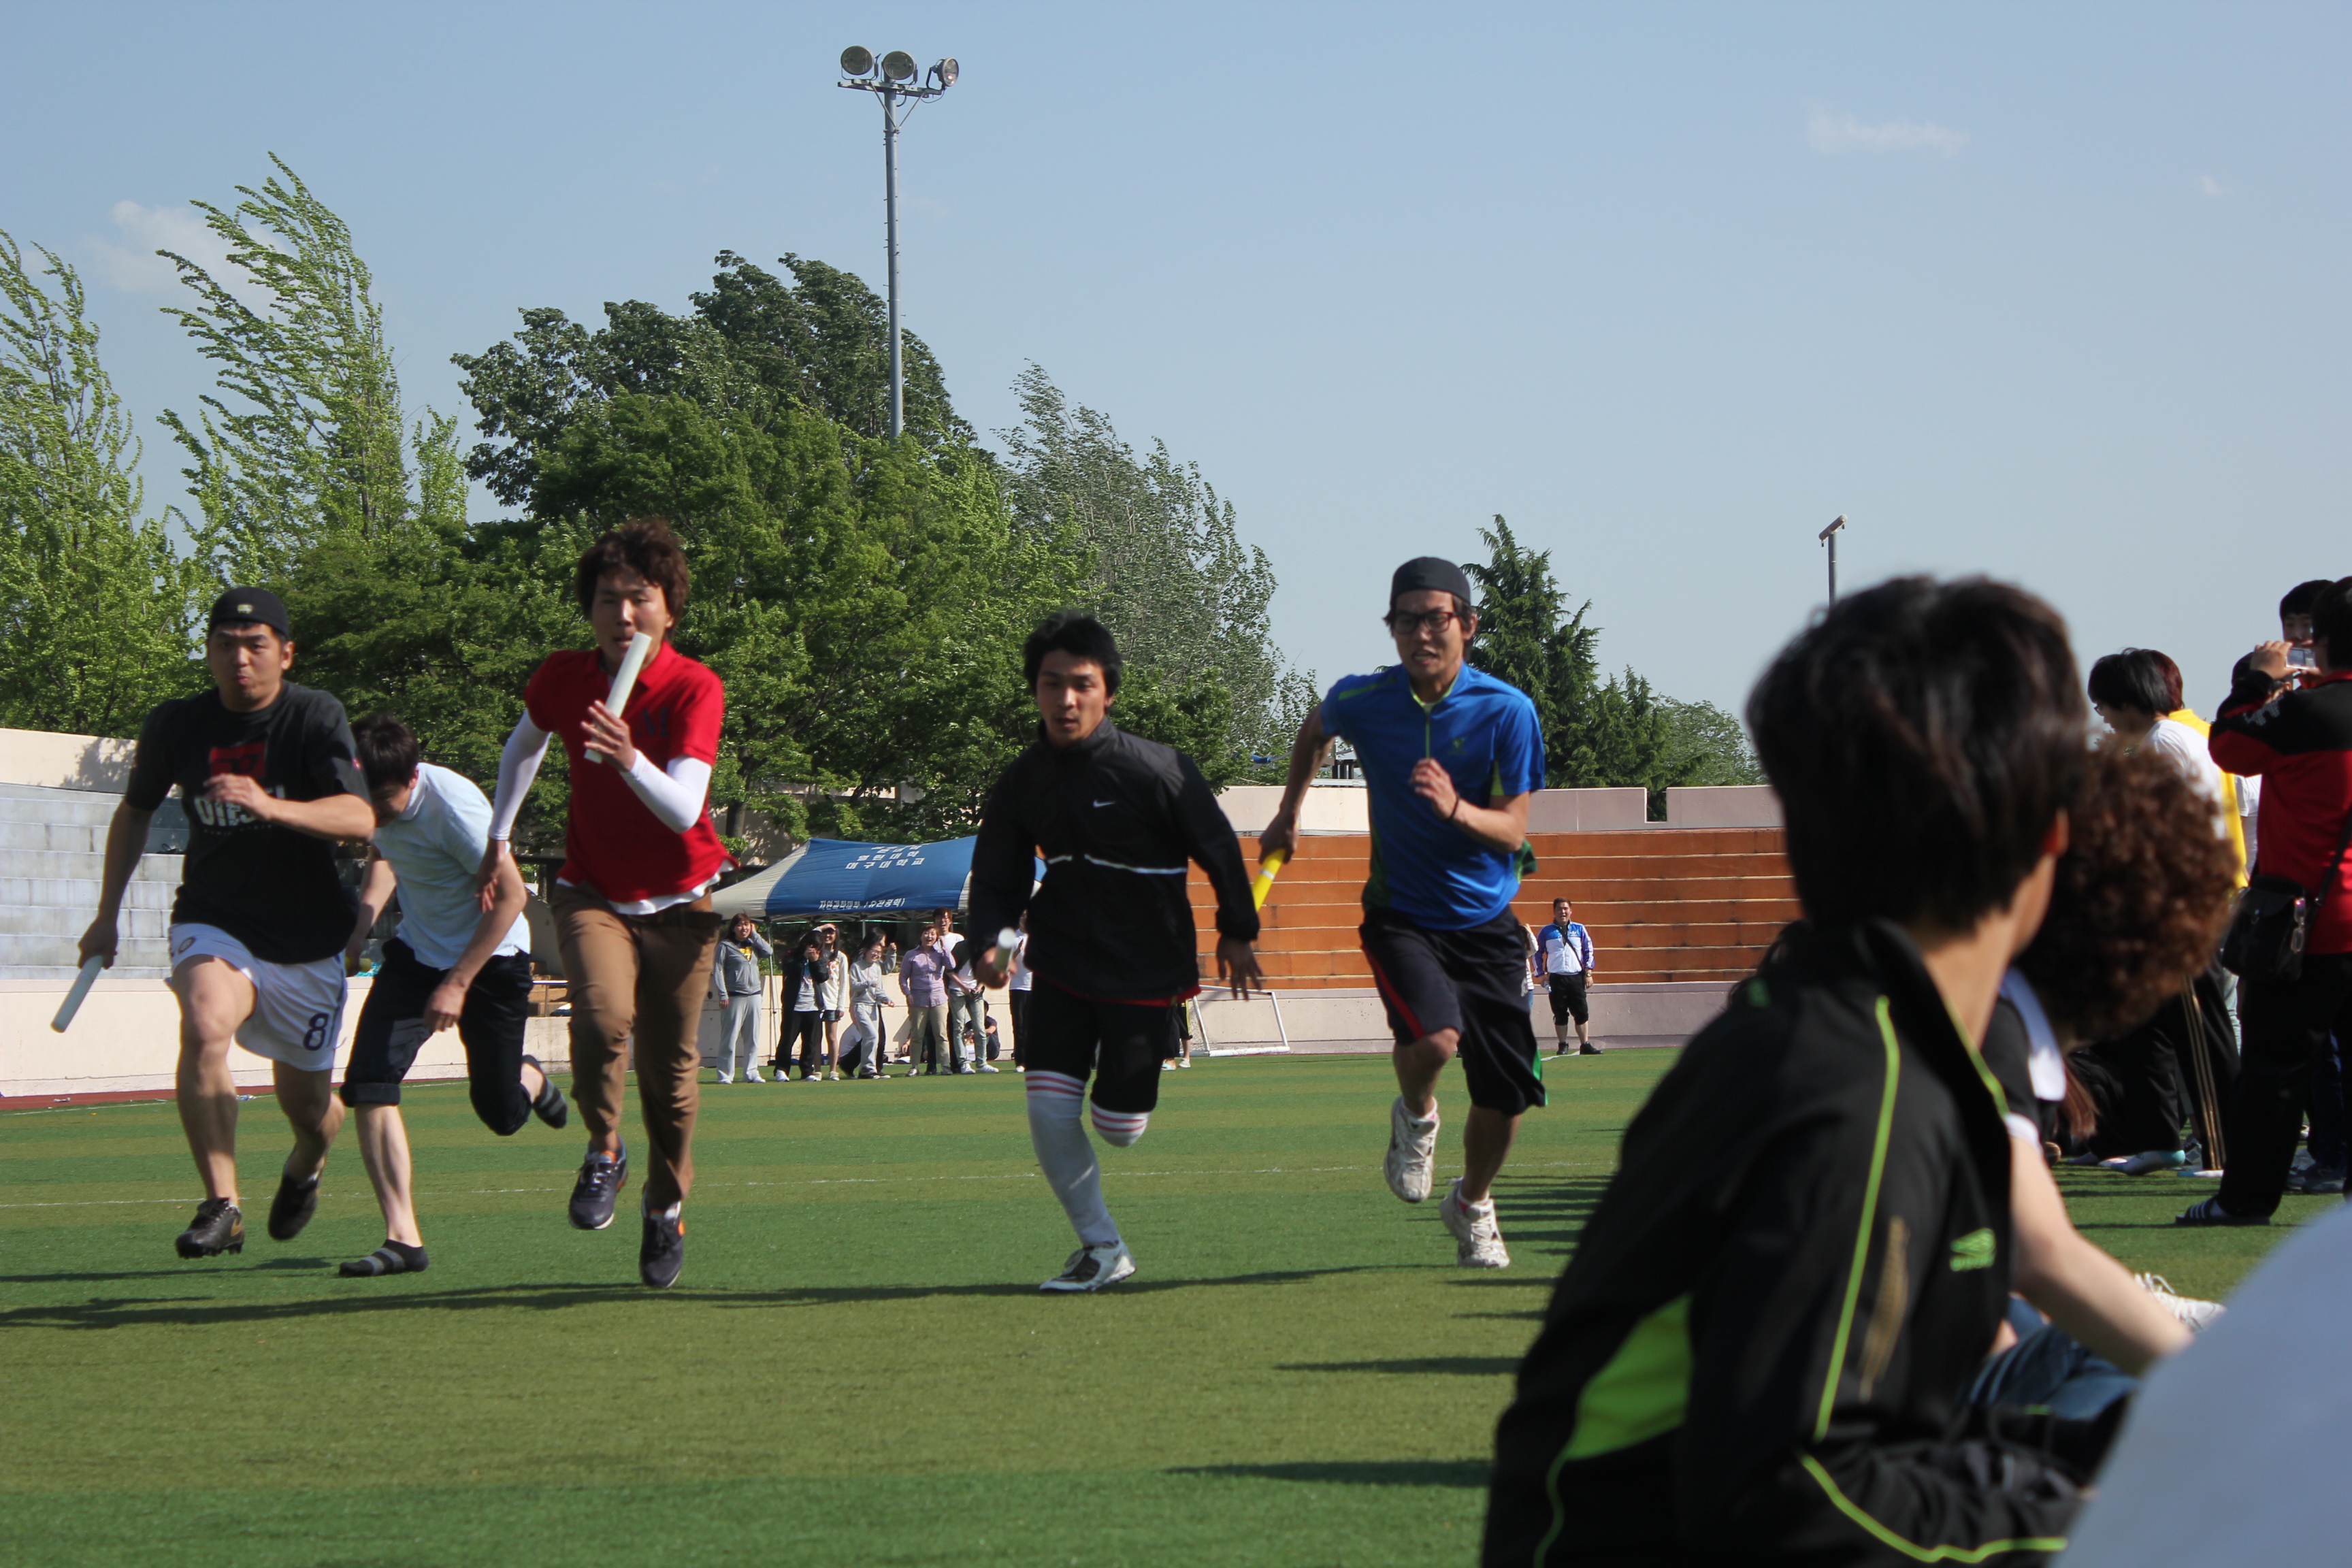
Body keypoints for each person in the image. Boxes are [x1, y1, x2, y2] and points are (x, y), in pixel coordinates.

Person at [1484, 576, 2106, 1567]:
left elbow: (1877, 1432)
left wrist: (2107, 1458)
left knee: (2123, 1402)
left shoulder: (1839, 1029)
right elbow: (1788, 1497)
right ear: (2052, 837)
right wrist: (2105, 1516)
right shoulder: (1861, 1090)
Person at [1262, 558, 1546, 1270]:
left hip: (1486, 921)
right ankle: (1417, 1116)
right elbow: (1316, 727)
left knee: (1507, 1096)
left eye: (1435, 618)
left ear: (1467, 626)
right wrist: (1289, 812)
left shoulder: (1507, 711)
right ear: (1390, 629)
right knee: (1437, 1039)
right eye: (1405, 620)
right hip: (1402, 914)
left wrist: (1455, 809)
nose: (1421, 633)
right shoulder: (1364, 699)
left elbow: (1513, 829)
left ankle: (1472, 1203)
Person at [967, 611, 1262, 1292]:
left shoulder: (1158, 769)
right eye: (1052, 684)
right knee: (1047, 1107)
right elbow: (1000, 878)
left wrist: (1237, 929)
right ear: (1035, 690)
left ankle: (1125, 1096)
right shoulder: (1021, 781)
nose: (1066, 699)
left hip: (1145, 963)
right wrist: (993, 945)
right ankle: (1102, 1247)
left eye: (1082, 684)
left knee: (1120, 1125)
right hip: (1062, 960)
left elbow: (1219, 849)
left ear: (1108, 691)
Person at [78, 587, 376, 1259]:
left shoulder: (314, 715)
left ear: (286, 654)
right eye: (224, 645)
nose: (239, 658)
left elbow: (359, 819)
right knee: (205, 1022)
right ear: (209, 652)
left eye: (255, 645)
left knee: (310, 1112)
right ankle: (223, 1204)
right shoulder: (177, 724)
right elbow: (135, 812)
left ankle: (308, 1163)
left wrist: (270, 806)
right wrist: (106, 916)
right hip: (215, 916)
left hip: (307, 937)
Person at [478, 517, 730, 1289]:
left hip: (682, 904)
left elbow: (684, 809)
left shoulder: (694, 686)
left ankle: (665, 1207)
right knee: (598, 1018)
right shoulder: (564, 676)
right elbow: (525, 745)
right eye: (607, 599)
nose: (623, 614)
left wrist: (626, 757)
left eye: (640, 598)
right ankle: (605, 1149)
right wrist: (498, 836)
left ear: (669, 610)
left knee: (673, 1082)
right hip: (593, 891)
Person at [336, 715, 570, 1276]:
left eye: (384, 801)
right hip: (416, 956)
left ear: (412, 778)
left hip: (492, 962)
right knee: (368, 1083)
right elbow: (385, 854)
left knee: (501, 1114)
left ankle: (529, 1077)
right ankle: (402, 1238)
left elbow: (512, 897)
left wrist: (458, 982)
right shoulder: (372, 796)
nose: (374, 813)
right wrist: (360, 926)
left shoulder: (455, 811)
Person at [2180, 575, 2352, 1227]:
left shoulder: (2306, 711)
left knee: (2276, 1072)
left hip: (2307, 925)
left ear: (2320, 641)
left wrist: (2256, 680)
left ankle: (2246, 1200)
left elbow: (2228, 746)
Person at [709, 915, 770, 1085]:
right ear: (733, 928)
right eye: (740, 925)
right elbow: (718, 970)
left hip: (754, 995)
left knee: (752, 1038)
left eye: (747, 925)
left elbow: (769, 952)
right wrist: (723, 994)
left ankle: (751, 1073)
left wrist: (756, 935)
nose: (744, 928)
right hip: (734, 996)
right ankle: (725, 1074)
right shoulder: (725, 946)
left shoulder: (753, 943)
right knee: (729, 1038)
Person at [1538, 898, 1598, 1056]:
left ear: (1571, 911)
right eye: (1559, 909)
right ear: (1554, 912)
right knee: (1560, 1013)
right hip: (1556, 978)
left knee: (1581, 1011)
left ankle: (1585, 1044)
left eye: (1565, 909)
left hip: (1576, 977)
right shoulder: (1546, 932)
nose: (1562, 912)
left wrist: (1588, 973)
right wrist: (1541, 975)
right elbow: (1537, 953)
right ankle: (1563, 1045)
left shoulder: (1580, 929)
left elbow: (1589, 950)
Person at [937, 909, 989, 1074]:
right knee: (959, 1028)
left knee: (980, 1028)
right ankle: (964, 1063)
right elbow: (949, 971)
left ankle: (982, 1063)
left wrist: (978, 987)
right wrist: (965, 988)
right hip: (957, 991)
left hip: (976, 992)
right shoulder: (961, 947)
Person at [898, 921, 952, 1076]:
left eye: (933, 934)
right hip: (918, 999)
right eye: (926, 933)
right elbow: (903, 977)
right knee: (917, 1035)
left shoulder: (940, 953)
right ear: (921, 936)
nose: (929, 937)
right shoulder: (911, 955)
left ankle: (945, 1065)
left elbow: (951, 965)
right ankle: (914, 1066)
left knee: (941, 1034)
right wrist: (908, 994)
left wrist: (944, 948)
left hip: (939, 998)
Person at [841, 932, 889, 1077]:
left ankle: (869, 1069)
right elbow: (854, 986)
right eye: (874, 951)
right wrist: (868, 983)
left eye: (879, 953)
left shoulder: (877, 967)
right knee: (872, 1036)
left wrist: (886, 999)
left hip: (873, 1006)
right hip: (860, 1005)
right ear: (867, 950)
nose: (876, 955)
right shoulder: (856, 966)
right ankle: (866, 1067)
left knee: (876, 1038)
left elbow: (879, 989)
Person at [784, 932, 830, 1081]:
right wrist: (803, 958)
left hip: (814, 1005)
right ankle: (782, 1069)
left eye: (816, 947)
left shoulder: (820, 958)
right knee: (788, 1039)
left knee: (811, 1042)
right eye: (810, 945)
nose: (812, 949)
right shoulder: (793, 954)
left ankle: (807, 1071)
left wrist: (815, 961)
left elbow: (823, 977)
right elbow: (789, 970)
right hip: (794, 1005)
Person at [816, 924, 847, 1080]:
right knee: (816, 1038)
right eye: (825, 933)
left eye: (831, 933)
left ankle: (833, 1070)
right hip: (816, 1002)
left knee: (832, 1037)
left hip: (832, 1002)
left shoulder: (841, 957)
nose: (828, 936)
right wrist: (820, 928)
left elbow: (843, 983)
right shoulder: (816, 953)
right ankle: (817, 1070)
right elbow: (806, 939)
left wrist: (841, 1005)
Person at [1005, 913, 1032, 1071]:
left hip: (1035, 987)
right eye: (1023, 917)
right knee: (1019, 1025)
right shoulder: (1013, 938)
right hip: (1018, 987)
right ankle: (1021, 1061)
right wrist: (1016, 953)